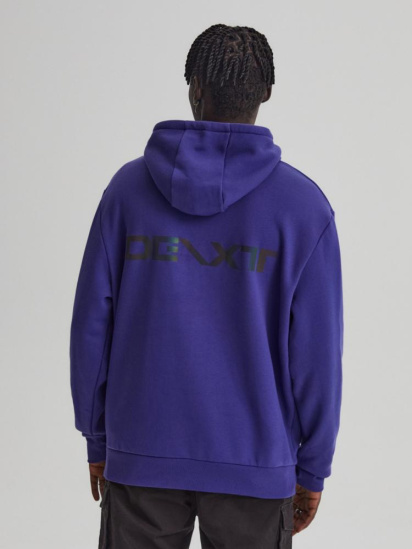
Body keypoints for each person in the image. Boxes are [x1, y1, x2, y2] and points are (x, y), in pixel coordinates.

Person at [70, 23, 344, 549]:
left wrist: (98, 437)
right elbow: (318, 355)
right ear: (266, 93)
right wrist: (313, 466)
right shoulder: (304, 208)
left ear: (195, 87)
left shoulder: (127, 193)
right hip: (256, 463)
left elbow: (90, 329)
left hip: (142, 454)